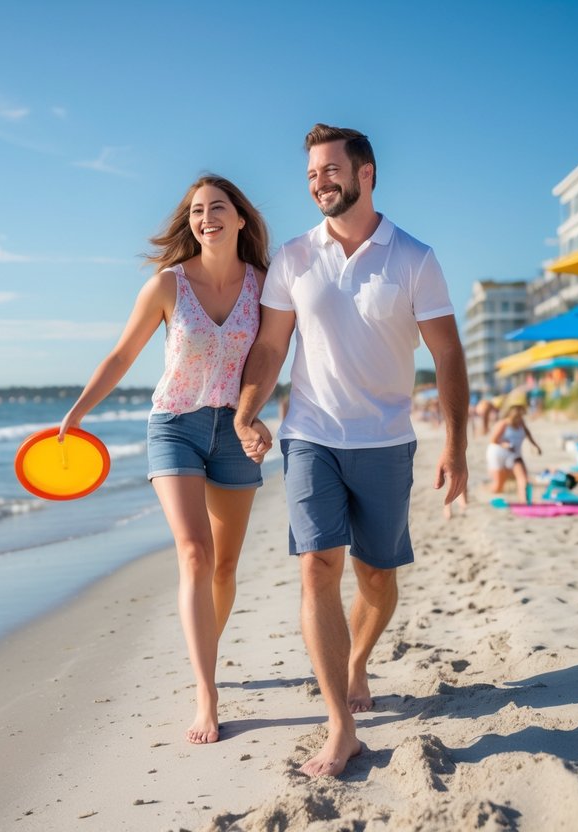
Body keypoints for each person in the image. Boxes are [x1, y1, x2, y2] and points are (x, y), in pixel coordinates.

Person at [234, 124, 468, 777]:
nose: (318, 182)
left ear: (366, 174)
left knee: (376, 578)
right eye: (310, 174)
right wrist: (246, 409)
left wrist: (457, 444)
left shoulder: (413, 258)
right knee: (316, 569)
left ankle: (358, 659)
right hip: (309, 434)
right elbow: (271, 345)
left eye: (329, 170)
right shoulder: (293, 257)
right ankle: (339, 726)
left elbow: (447, 354)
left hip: (387, 439)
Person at [60, 174, 270, 745]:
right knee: (196, 555)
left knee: (225, 568)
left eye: (218, 207)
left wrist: (255, 416)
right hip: (174, 425)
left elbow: (268, 359)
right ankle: (207, 692)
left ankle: (208, 647)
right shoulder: (167, 286)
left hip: (233, 431)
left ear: (241, 218)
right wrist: (78, 413)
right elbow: (122, 353)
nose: (207, 218)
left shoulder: (264, 285)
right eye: (197, 210)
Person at [486, 404, 540, 504]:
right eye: (519, 416)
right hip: (498, 453)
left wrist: (535, 445)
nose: (521, 418)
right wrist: (504, 444)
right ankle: (485, 492)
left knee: (523, 477)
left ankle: (523, 501)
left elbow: (528, 433)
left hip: (514, 454)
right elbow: (493, 440)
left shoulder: (521, 423)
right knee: (498, 486)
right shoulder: (503, 424)